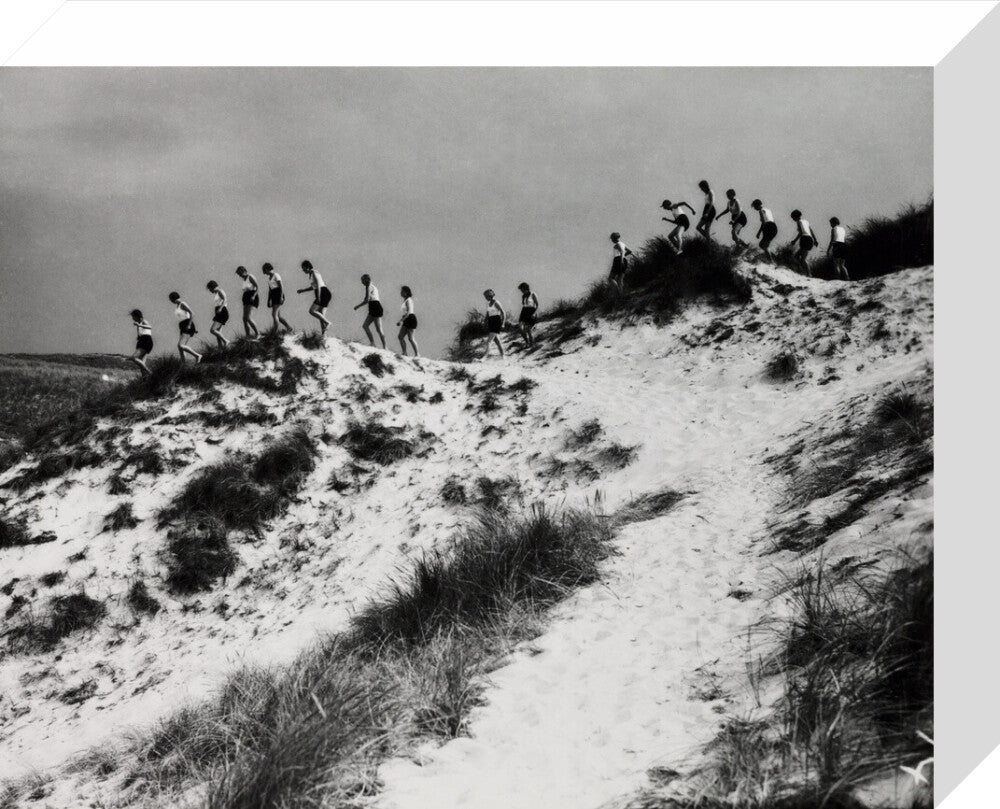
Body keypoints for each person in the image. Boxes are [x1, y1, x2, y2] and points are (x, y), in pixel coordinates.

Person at [297, 259, 332, 336]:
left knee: (312, 311)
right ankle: (324, 335)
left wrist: (318, 297)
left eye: (303, 268)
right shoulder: (311, 274)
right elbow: (313, 287)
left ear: (308, 267)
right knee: (321, 315)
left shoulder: (314, 273)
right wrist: (303, 290)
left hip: (322, 292)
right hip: (324, 293)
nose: (303, 270)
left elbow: (319, 285)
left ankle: (328, 322)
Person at [353, 274, 387, 348]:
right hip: (373, 307)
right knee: (365, 326)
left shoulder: (369, 287)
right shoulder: (372, 287)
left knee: (378, 329)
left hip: (375, 306)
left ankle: (385, 346)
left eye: (363, 280)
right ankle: (372, 343)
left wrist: (358, 306)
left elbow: (367, 300)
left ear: (366, 279)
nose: (362, 282)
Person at [168, 292, 202, 363]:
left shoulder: (182, 304)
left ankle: (197, 355)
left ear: (173, 298)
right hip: (183, 325)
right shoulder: (178, 305)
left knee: (180, 345)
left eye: (170, 299)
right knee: (181, 348)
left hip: (187, 324)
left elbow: (192, 313)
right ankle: (183, 365)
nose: (171, 301)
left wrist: (189, 325)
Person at [262, 263, 294, 334]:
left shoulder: (276, 275)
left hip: (278, 294)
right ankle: (289, 327)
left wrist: (281, 297)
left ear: (268, 269)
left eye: (265, 271)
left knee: (274, 314)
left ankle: (274, 332)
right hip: (273, 295)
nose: (265, 273)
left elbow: (281, 286)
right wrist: (268, 300)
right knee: (278, 316)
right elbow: (270, 290)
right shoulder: (269, 278)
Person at [789, 210, 820, 276]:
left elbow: (800, 232)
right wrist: (815, 240)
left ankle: (808, 273)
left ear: (795, 217)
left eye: (793, 218)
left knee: (801, 259)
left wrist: (794, 240)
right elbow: (811, 231)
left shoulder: (799, 222)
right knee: (797, 257)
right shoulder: (806, 221)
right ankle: (803, 271)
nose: (793, 219)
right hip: (810, 239)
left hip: (804, 239)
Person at [235, 266, 260, 339]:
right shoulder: (244, 280)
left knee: (248, 317)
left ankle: (257, 333)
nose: (240, 275)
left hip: (252, 296)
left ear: (244, 271)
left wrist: (254, 296)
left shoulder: (250, 277)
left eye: (240, 273)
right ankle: (248, 335)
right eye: (239, 274)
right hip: (246, 297)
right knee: (244, 318)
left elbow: (257, 287)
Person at [481, 289, 506, 359]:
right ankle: (503, 355)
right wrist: (484, 321)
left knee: (489, 341)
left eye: (486, 296)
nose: (485, 298)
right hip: (491, 321)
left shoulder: (496, 302)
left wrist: (503, 323)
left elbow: (503, 312)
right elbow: (488, 314)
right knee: (497, 340)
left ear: (490, 295)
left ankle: (484, 357)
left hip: (496, 321)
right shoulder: (488, 304)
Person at [396, 285, 419, 356]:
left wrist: (401, 321)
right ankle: (404, 353)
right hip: (407, 319)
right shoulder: (405, 300)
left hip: (411, 319)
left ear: (406, 292)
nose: (401, 293)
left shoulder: (408, 300)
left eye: (402, 291)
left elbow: (409, 312)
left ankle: (417, 354)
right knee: (400, 336)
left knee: (411, 338)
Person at [206, 280, 230, 347]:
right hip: (219, 312)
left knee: (212, 330)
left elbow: (225, 299)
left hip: (222, 312)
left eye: (210, 289)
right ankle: (221, 348)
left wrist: (220, 308)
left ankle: (225, 341)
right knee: (218, 332)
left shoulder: (220, 291)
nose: (210, 291)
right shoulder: (217, 293)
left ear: (212, 287)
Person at [129, 309, 153, 376]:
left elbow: (150, 327)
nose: (133, 318)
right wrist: (138, 337)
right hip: (143, 340)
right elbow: (140, 333)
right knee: (142, 364)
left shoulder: (143, 321)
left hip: (146, 341)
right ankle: (145, 379)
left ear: (136, 316)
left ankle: (150, 372)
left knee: (134, 358)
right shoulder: (138, 323)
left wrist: (139, 325)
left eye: (133, 317)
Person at [517, 282, 539, 348]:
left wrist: (534, 313)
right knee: (520, 328)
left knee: (528, 330)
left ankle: (531, 344)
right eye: (521, 290)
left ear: (525, 288)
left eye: (522, 289)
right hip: (524, 311)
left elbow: (537, 304)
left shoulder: (533, 294)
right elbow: (524, 304)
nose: (521, 291)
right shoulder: (523, 296)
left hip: (531, 311)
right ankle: (527, 342)